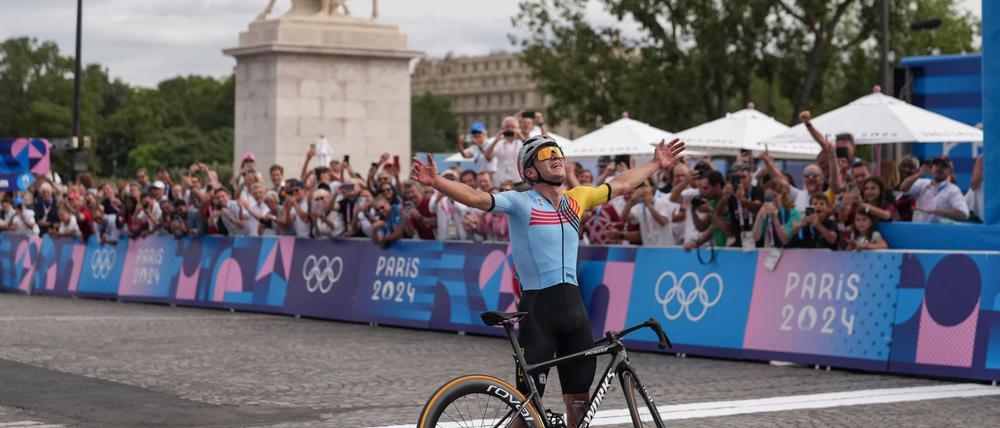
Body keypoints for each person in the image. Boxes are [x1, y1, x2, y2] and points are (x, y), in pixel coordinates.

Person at [410, 134, 685, 427]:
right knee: (525, 410)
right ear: (529, 171)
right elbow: (477, 198)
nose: (556, 157)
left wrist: (656, 163)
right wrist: (437, 182)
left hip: (576, 314)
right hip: (539, 311)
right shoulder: (520, 202)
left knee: (578, 406)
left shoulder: (577, 197)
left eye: (558, 152)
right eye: (546, 155)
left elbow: (622, 184)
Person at [899, 156, 969, 223]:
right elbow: (903, 188)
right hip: (918, 231)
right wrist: (918, 174)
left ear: (949, 171)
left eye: (943, 166)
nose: (939, 168)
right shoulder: (922, 183)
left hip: (939, 233)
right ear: (931, 168)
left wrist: (935, 211)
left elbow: (963, 214)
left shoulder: (953, 190)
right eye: (936, 165)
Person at [751, 181, 801, 248]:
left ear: (782, 195)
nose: (772, 200)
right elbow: (756, 237)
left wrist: (775, 217)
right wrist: (759, 215)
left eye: (775, 196)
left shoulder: (794, 213)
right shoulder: (766, 212)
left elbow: (785, 240)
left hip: (793, 253)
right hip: (774, 253)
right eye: (768, 198)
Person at [483, 116, 524, 186]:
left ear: (518, 128)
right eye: (507, 127)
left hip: (519, 182)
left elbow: (531, 148)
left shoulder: (522, 142)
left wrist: (520, 135)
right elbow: (487, 156)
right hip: (502, 184)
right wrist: (496, 140)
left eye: (512, 127)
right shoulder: (499, 143)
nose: (510, 129)